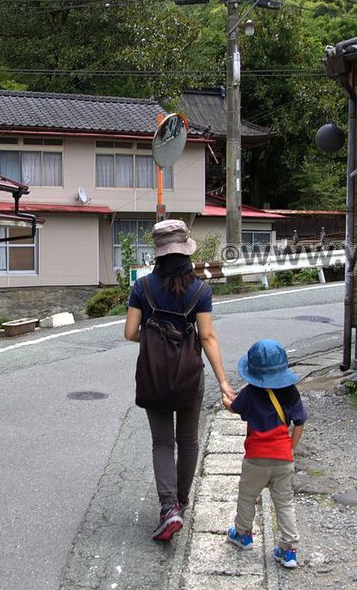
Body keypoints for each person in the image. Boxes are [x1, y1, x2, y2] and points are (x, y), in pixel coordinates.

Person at [124, 219, 235, 542]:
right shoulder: (201, 290)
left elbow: (130, 332)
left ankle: (167, 507)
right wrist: (224, 382)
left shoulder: (142, 288)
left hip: (154, 375)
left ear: (158, 254)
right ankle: (181, 503)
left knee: (162, 442)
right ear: (186, 253)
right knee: (187, 441)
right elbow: (208, 337)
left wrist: (157, 337)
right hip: (189, 376)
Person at [224, 339, 307, 569]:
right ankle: (289, 550)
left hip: (256, 458)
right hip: (283, 458)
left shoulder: (250, 393)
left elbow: (234, 407)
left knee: (247, 496)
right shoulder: (291, 392)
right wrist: (291, 447)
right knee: (284, 502)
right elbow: (299, 422)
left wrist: (225, 400)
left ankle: (243, 534)